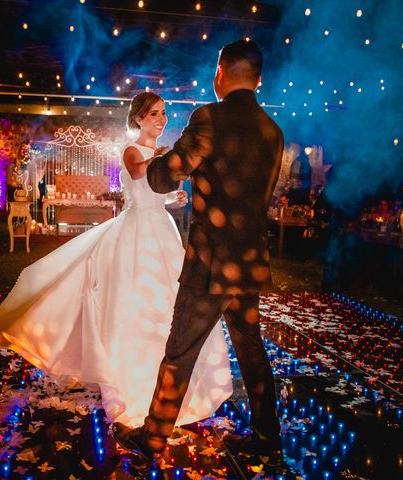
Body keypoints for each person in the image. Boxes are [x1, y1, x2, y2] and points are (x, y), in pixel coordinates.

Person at [0, 92, 233, 427]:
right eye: (154, 114)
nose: (161, 119)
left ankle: (164, 372)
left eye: (164, 113)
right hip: (136, 231)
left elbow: (156, 192)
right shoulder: (133, 150)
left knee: (168, 300)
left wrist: (174, 195)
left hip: (161, 230)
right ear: (139, 118)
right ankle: (125, 375)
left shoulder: (159, 153)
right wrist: (166, 159)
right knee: (129, 300)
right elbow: (140, 174)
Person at [113, 40, 284, 462]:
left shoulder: (209, 117)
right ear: (258, 80)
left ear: (220, 73)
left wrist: (158, 162)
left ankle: (152, 438)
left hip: (211, 265)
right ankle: (267, 437)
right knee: (252, 350)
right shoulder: (272, 131)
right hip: (248, 265)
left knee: (180, 350)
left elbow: (163, 177)